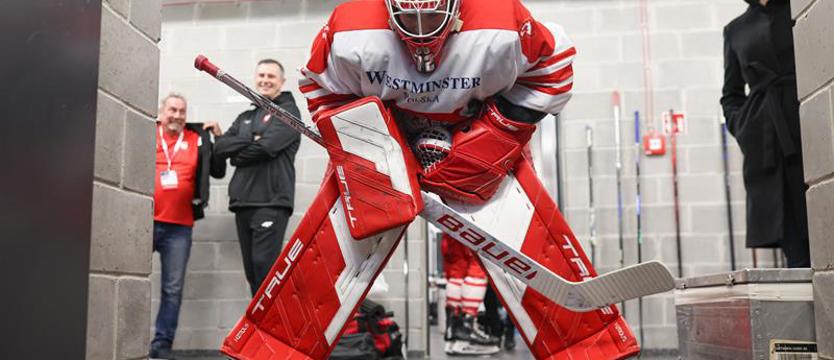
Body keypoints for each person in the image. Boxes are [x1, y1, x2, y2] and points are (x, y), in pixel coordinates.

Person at [221, 1, 639, 359]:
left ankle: (590, 346)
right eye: (410, 18)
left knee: (532, 250)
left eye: (432, 17)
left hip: (474, 127)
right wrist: (370, 144)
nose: (422, 36)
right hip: (388, 133)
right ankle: (273, 348)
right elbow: (319, 87)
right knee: (325, 256)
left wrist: (497, 136)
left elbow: (554, 68)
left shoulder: (502, 22)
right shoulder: (351, 29)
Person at [721, 0, 810, 267]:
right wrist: (743, 127)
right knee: (795, 245)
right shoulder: (736, 29)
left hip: (809, 126)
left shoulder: (800, 8)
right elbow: (731, 95)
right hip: (766, 144)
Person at [213, 59, 302, 296]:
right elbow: (220, 147)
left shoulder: (289, 113)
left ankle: (273, 329)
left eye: (271, 76)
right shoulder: (246, 116)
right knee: (253, 272)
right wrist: (248, 142)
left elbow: (267, 147)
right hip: (243, 202)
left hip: (271, 203)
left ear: (281, 82)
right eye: (261, 75)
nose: (265, 80)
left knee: (265, 269)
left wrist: (238, 156)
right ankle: (259, 331)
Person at [151, 94, 226, 359]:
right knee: (129, 279)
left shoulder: (196, 138)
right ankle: (130, 339)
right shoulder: (146, 133)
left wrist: (218, 138)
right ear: (161, 112)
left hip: (180, 227)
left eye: (182, 111)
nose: (177, 115)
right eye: (172, 109)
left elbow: (218, 171)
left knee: (172, 289)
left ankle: (161, 346)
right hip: (144, 222)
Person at [441, 234, 500, 355]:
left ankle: (453, 330)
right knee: (477, 265)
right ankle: (465, 331)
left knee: (457, 268)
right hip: (473, 219)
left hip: (450, 224)